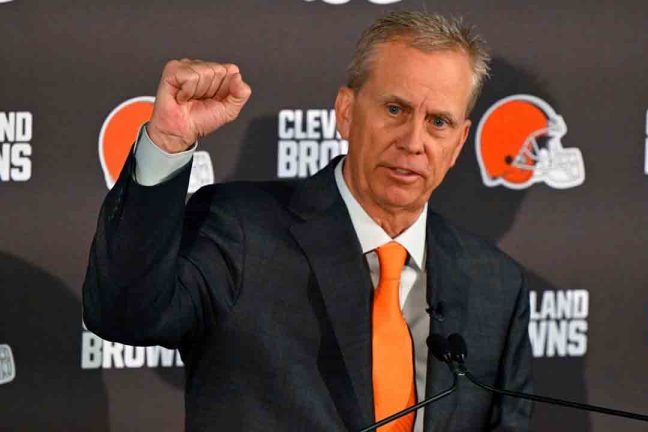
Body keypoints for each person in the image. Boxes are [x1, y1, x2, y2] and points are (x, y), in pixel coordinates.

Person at [83, 10, 532, 432]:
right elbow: (125, 315)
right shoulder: (241, 229)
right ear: (346, 112)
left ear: (458, 144)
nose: (413, 141)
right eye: (395, 110)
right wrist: (167, 142)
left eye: (438, 122)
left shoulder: (495, 284)